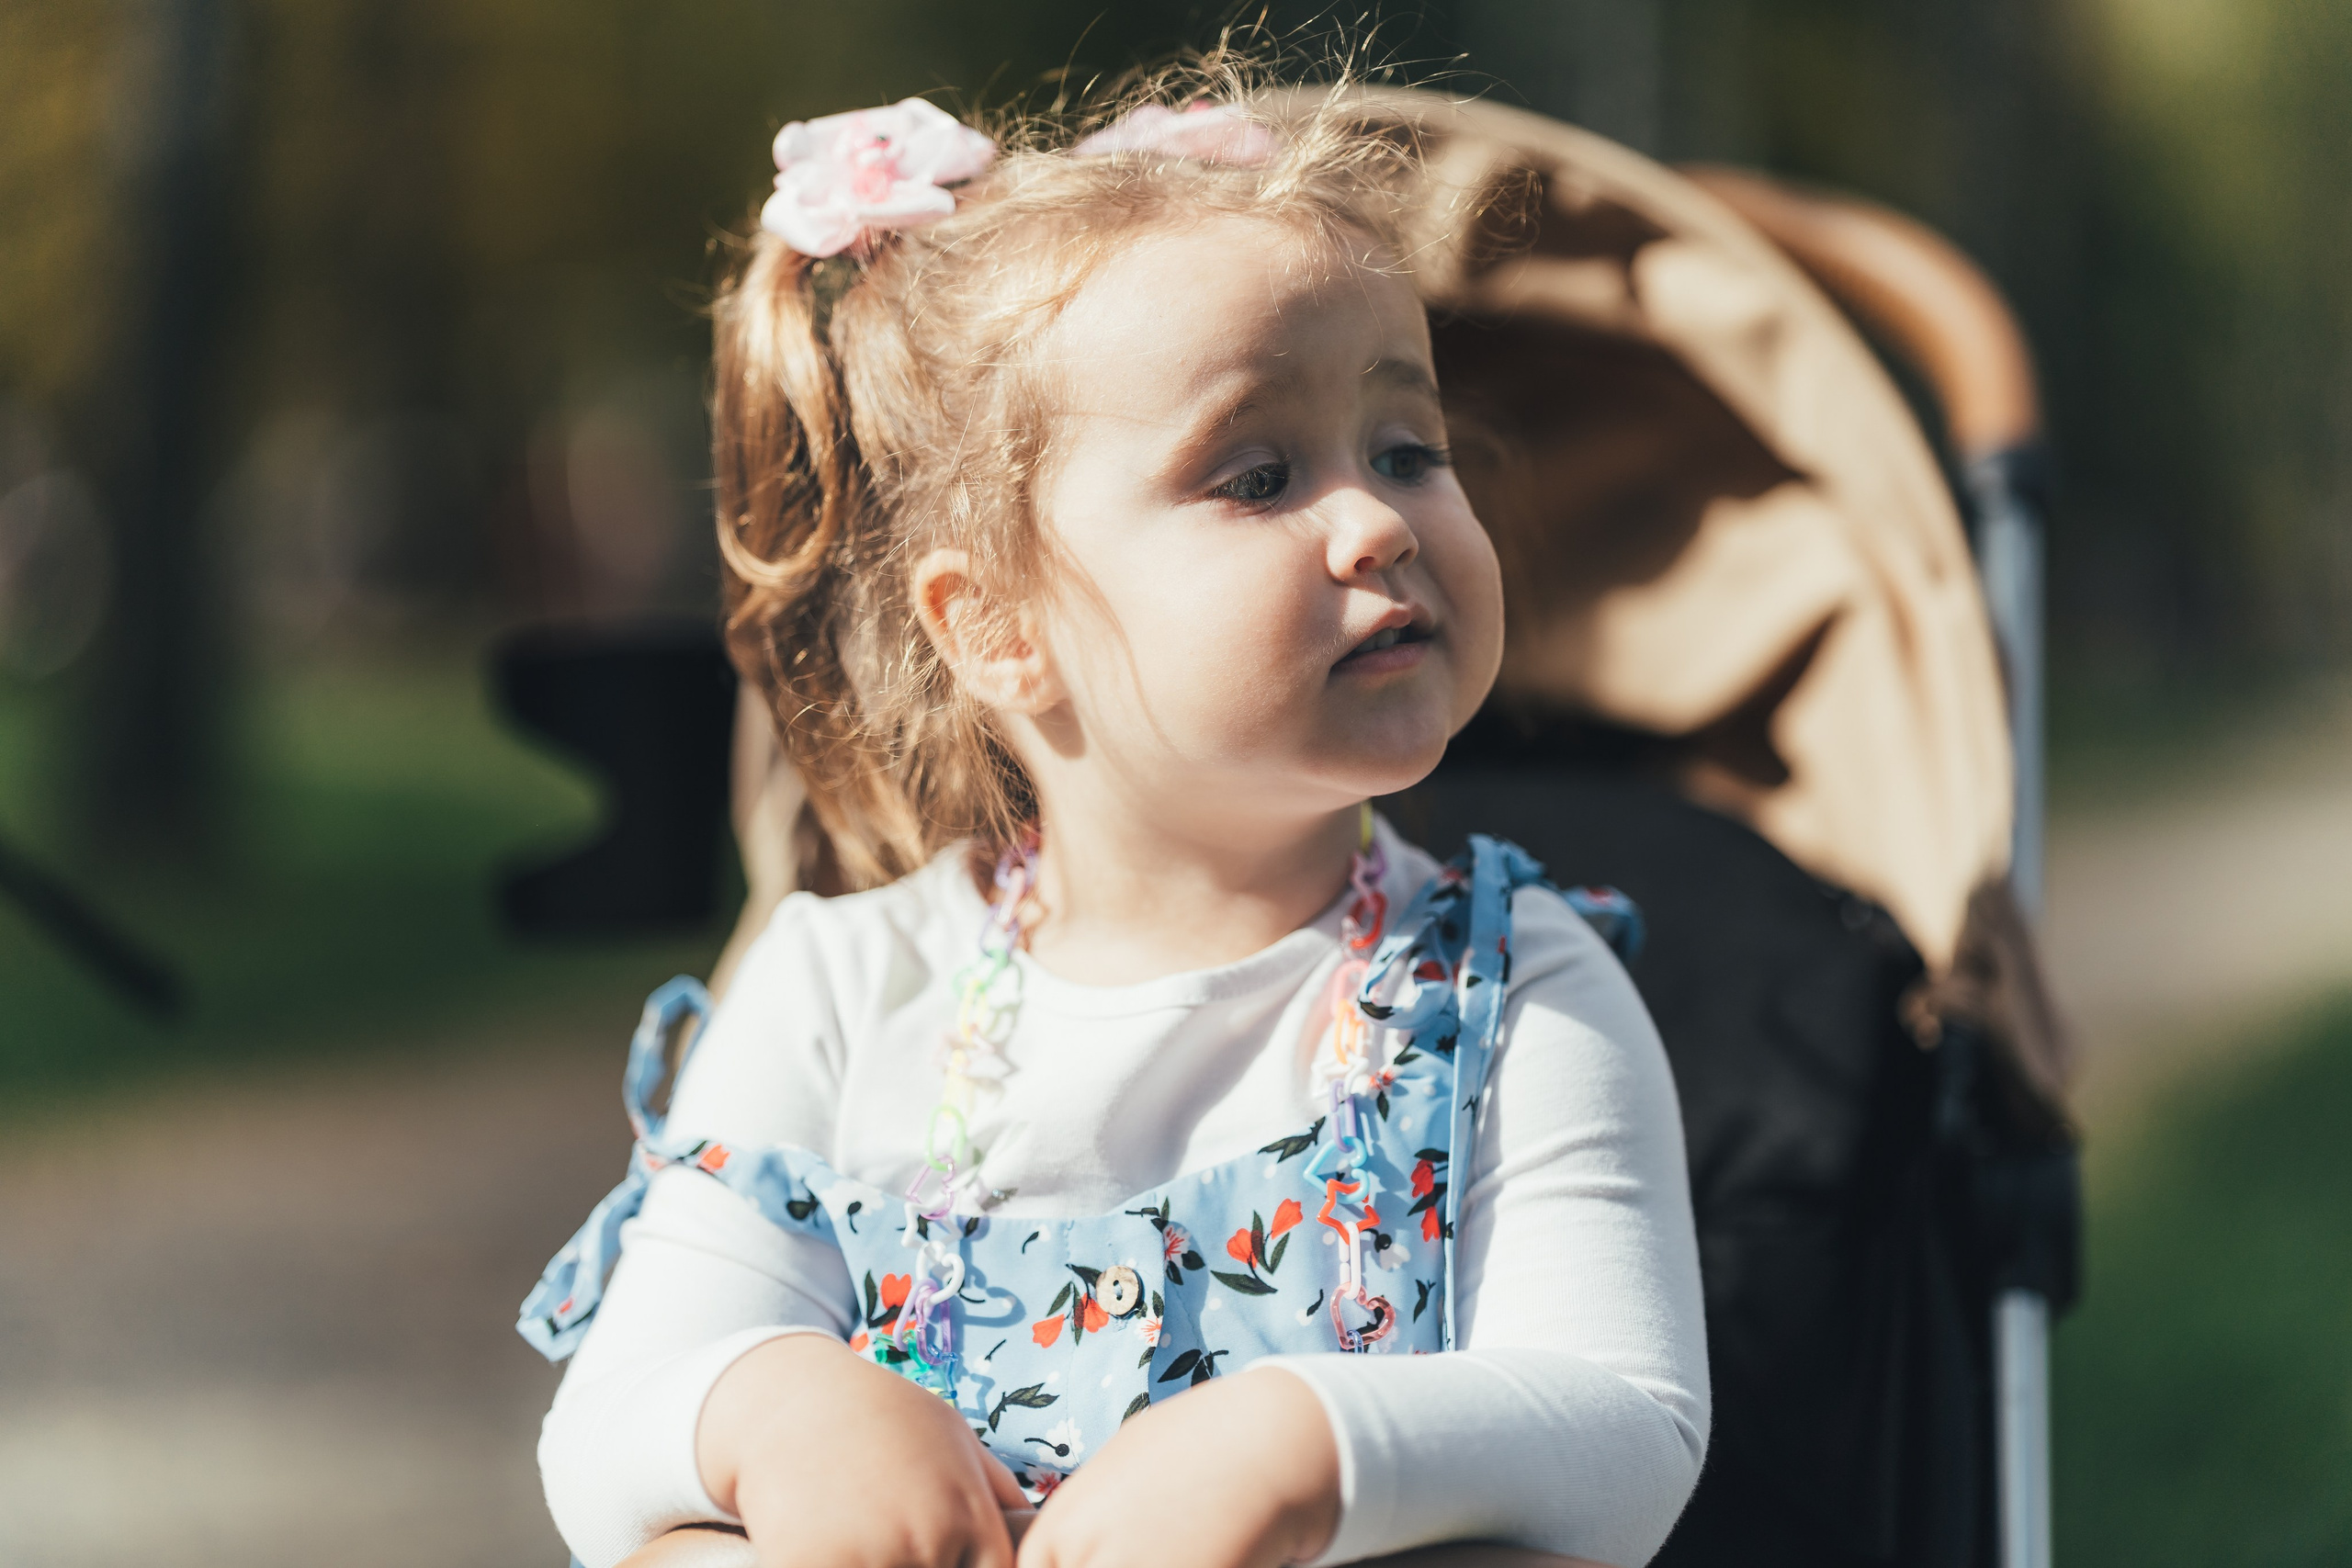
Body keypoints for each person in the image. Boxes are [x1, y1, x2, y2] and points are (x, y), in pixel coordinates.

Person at [520, 67, 1709, 1568]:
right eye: (1258, 475)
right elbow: (604, 1426)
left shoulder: (1510, 990)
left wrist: (1302, 1448)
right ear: (1001, 627)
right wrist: (778, 1406)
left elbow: (1625, 1422)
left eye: (1409, 450)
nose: (1381, 521)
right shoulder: (841, 993)